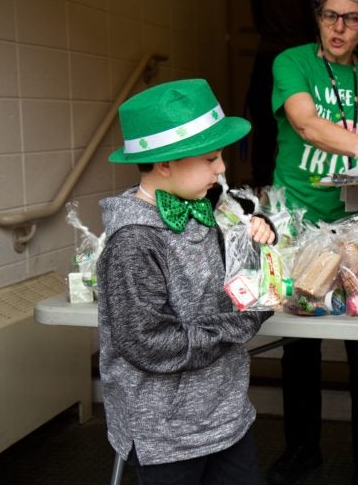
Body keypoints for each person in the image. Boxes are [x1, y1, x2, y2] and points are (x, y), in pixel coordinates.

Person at [96, 78, 277, 485]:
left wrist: (259, 239)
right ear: (166, 163)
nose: (223, 168)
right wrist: (243, 323)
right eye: (211, 158)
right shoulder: (134, 242)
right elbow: (149, 342)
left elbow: (235, 274)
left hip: (227, 413)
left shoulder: (207, 209)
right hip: (166, 431)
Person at [267, 0, 358, 484]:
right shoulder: (291, 62)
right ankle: (302, 448)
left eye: (352, 18)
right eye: (329, 15)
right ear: (317, 16)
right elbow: (305, 123)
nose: (339, 27)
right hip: (300, 218)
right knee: (299, 340)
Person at [245, 0, 333, 187]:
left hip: (268, 49)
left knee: (264, 128)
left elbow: (256, 12)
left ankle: (262, 188)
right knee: (304, 126)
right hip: (301, 50)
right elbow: (318, 7)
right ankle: (292, 187)